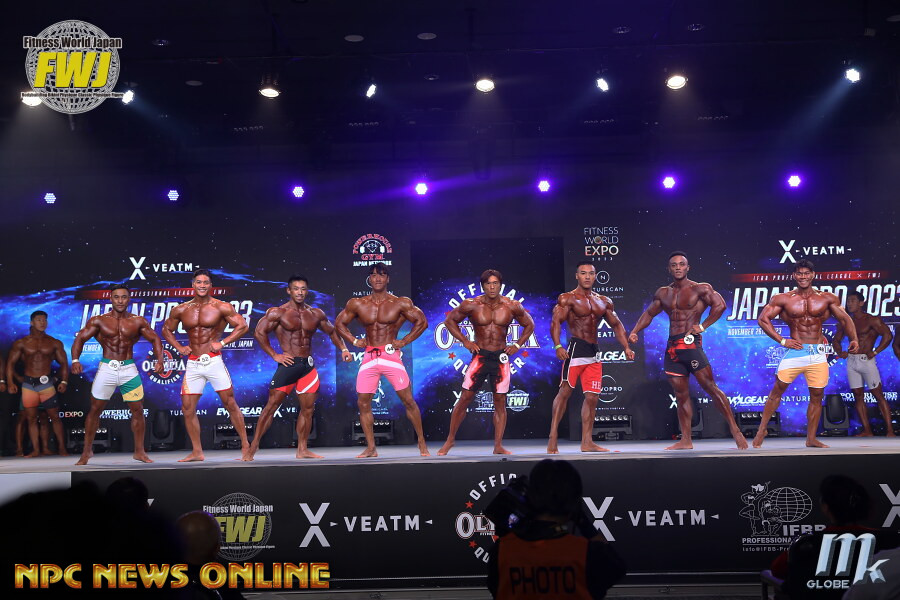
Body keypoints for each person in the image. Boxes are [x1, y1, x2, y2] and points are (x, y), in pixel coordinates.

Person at [628, 252, 748, 450]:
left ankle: (736, 431)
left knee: (710, 387)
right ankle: (686, 440)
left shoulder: (700, 288)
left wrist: (703, 326)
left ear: (687, 268)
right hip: (672, 347)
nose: (678, 267)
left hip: (690, 344)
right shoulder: (663, 293)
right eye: (674, 265)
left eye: (681, 264)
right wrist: (634, 331)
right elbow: (649, 313)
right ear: (669, 269)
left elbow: (720, 305)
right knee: (680, 394)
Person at [753, 260, 858, 448]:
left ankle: (811, 438)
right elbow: (763, 319)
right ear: (794, 276)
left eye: (806, 273)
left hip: (817, 353)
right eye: (799, 273)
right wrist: (782, 341)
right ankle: (762, 429)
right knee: (777, 390)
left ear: (813, 275)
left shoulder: (827, 298)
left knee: (817, 396)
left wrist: (854, 339)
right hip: (796, 351)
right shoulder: (783, 298)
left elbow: (845, 319)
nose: (803, 277)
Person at [487, 459, 626, 599]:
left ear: (531, 497)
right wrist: (584, 524)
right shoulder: (587, 554)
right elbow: (617, 569)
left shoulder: (501, 552)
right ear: (573, 503)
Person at [248, 275, 352, 460]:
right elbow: (259, 332)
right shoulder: (278, 312)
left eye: (303, 289)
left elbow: (332, 331)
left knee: (308, 409)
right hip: (288, 365)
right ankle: (252, 448)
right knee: (271, 407)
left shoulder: (315, 313)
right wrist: (275, 355)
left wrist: (343, 349)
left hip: (307, 367)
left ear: (307, 291)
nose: (300, 292)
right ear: (289, 291)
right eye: (296, 289)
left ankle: (302, 449)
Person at [335, 263, 430, 458]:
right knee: (363, 403)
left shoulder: (400, 303)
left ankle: (421, 441)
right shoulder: (357, 303)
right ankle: (371, 448)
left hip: (390, 356)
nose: (377, 278)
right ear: (369, 279)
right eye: (374, 275)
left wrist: (404, 341)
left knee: (408, 400)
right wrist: (354, 341)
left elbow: (422, 322)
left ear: (388, 279)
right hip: (369, 356)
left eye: (382, 275)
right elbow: (339, 323)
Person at [438, 269, 536, 456]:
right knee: (465, 398)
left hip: (501, 358)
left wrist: (517, 344)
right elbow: (450, 321)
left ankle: (498, 445)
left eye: (495, 283)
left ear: (500, 285)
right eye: (488, 284)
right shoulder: (472, 304)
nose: (492, 287)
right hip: (480, 356)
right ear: (482, 285)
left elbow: (529, 324)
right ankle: (450, 440)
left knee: (500, 401)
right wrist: (465, 341)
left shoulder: (512, 305)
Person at [162, 269, 251, 462]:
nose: (202, 285)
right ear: (193, 284)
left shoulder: (221, 307)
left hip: (213, 361)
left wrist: (223, 342)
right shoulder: (181, 309)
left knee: (230, 403)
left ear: (211, 285)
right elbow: (166, 329)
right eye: (199, 282)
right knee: (187, 408)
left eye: (206, 282)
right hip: (193, 363)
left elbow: (243, 326)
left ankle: (245, 445)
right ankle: (197, 451)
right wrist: (178, 347)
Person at [71, 283, 165, 465]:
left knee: (137, 410)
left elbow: (155, 339)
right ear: (110, 299)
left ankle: (139, 452)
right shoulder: (99, 321)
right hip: (107, 368)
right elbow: (80, 338)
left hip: (128, 369)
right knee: (95, 410)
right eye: (116, 297)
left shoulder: (137, 321)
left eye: (123, 297)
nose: (120, 301)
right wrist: (75, 360)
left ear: (129, 299)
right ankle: (87, 451)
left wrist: (160, 360)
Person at [547, 262, 634, 454]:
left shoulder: (603, 301)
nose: (587, 277)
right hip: (576, 349)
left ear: (595, 276)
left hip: (594, 352)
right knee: (564, 392)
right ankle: (553, 436)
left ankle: (587, 442)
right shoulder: (567, 298)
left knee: (593, 398)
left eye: (591, 273)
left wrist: (626, 346)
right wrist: (558, 345)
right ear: (577, 276)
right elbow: (556, 322)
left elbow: (616, 325)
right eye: (583, 273)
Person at [5, 311, 69, 457]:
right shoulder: (22, 343)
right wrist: (10, 382)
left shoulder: (54, 342)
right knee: (31, 418)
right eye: (39, 320)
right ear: (31, 322)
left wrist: (63, 381)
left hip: (46, 384)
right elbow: (10, 363)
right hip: (29, 384)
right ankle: (35, 450)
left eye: (44, 320)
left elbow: (64, 363)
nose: (42, 322)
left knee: (54, 417)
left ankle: (61, 448)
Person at [834, 291, 895, 437]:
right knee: (857, 395)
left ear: (861, 303)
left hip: (866, 361)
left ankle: (890, 431)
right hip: (852, 361)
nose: (849, 303)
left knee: (877, 394)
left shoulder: (871, 320)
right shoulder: (846, 321)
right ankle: (867, 430)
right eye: (848, 301)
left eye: (853, 300)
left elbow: (888, 335)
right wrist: (840, 351)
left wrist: (875, 351)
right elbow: (836, 340)